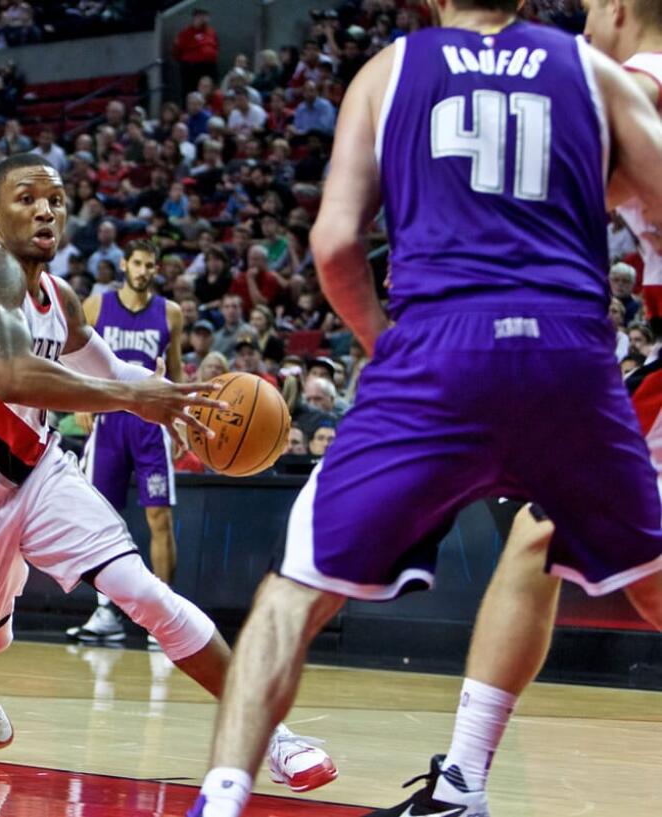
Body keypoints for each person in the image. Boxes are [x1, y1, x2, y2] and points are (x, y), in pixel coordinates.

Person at [190, 1, 662, 815]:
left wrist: (383, 345)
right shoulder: (589, 72)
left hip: (438, 347)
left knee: (293, 590)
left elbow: (336, 246)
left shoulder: (391, 69)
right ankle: (463, 784)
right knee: (648, 581)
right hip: (567, 351)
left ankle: (222, 799)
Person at [0, 153, 335, 791]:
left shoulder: (62, 300)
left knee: (145, 592)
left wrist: (179, 398)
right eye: (26, 198)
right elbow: (13, 374)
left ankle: (271, 736)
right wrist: (134, 400)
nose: (45, 210)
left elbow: (112, 373)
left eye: (56, 199)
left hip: (38, 471)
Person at [359, 3, 662, 815]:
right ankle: (463, 782)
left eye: (593, 6)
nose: (582, 21)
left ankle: (463, 783)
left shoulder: (632, 87)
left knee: (575, 547)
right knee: (543, 536)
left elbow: (521, 201)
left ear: (622, 10)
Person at [64, 241, 186, 646]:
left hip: (150, 426)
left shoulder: (171, 312)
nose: (144, 270)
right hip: (109, 420)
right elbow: (70, 353)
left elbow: (178, 372)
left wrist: (180, 420)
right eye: (137, 263)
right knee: (102, 521)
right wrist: (79, 397)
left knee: (160, 519)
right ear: (124, 265)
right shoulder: (98, 304)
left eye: (151, 265)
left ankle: (166, 614)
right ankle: (105, 614)